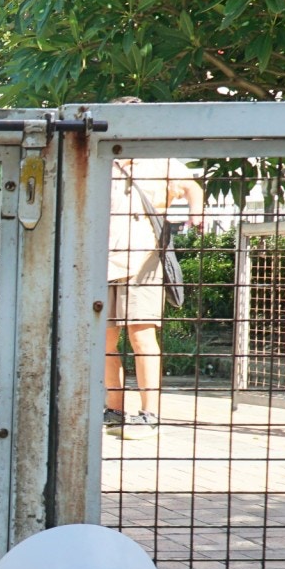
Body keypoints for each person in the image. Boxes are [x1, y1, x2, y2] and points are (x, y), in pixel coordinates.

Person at [104, 100, 204, 440]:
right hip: (101, 263)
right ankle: (113, 410)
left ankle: (149, 413)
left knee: (142, 336)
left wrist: (197, 212)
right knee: (104, 339)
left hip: (144, 263)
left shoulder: (160, 161)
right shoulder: (102, 157)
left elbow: (192, 186)